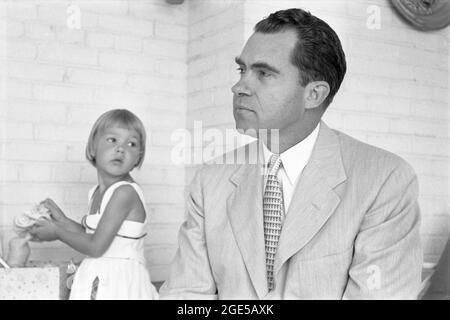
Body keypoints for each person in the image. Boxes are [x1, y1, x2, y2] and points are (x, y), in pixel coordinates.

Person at [159, 8, 423, 299]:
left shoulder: (385, 180)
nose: (239, 87)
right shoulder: (209, 181)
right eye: (241, 70)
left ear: (314, 94)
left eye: (263, 73)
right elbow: (185, 297)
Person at [30, 109, 159, 300]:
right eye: (112, 140)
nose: (121, 148)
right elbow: (91, 235)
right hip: (100, 275)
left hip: (119, 284)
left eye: (131, 144)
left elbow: (96, 246)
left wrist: (56, 232)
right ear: (92, 148)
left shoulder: (125, 193)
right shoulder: (96, 193)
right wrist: (62, 221)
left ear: (138, 158)